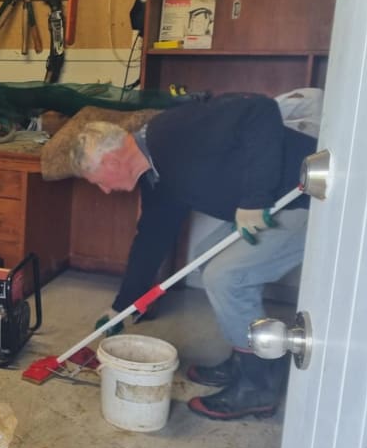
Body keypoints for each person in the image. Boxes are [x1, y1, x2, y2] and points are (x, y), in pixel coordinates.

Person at [68, 93, 315, 420]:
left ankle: (258, 385)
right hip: (273, 202)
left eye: (98, 182)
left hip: (304, 196)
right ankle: (244, 356)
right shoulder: (158, 177)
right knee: (206, 258)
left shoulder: (173, 131)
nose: (105, 190)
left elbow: (260, 109)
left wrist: (255, 199)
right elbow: (152, 238)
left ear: (111, 162)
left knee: (226, 276)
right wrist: (123, 305)